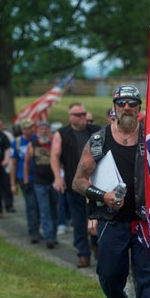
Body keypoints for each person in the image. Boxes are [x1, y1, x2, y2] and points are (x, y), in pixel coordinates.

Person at [72, 84, 150, 298]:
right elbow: (78, 181)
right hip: (112, 221)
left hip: (144, 221)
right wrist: (103, 195)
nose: (127, 108)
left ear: (140, 108)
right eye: (122, 103)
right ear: (114, 107)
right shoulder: (99, 141)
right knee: (110, 276)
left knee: (147, 277)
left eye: (133, 103)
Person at [51, 102, 101, 266]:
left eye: (83, 114)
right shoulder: (62, 134)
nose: (82, 117)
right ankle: (83, 254)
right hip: (76, 186)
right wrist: (58, 177)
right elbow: (55, 156)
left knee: (98, 219)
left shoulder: (96, 132)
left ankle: (96, 246)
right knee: (79, 221)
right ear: (70, 117)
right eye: (78, 115)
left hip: (97, 185)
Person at [25, 121, 59, 249]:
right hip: (39, 183)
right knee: (44, 210)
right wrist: (26, 180)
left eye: (46, 129)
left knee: (54, 209)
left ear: (49, 131)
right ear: (37, 131)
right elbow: (26, 164)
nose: (44, 131)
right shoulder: (32, 145)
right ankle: (49, 237)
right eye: (41, 129)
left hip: (54, 182)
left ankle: (54, 235)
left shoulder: (54, 145)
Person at [11, 119, 41, 244]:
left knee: (40, 206)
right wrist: (13, 183)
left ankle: (38, 228)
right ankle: (33, 231)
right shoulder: (17, 143)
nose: (31, 129)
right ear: (23, 129)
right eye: (28, 128)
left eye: (32, 127)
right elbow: (13, 163)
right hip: (24, 179)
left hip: (40, 178)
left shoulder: (38, 140)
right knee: (31, 205)